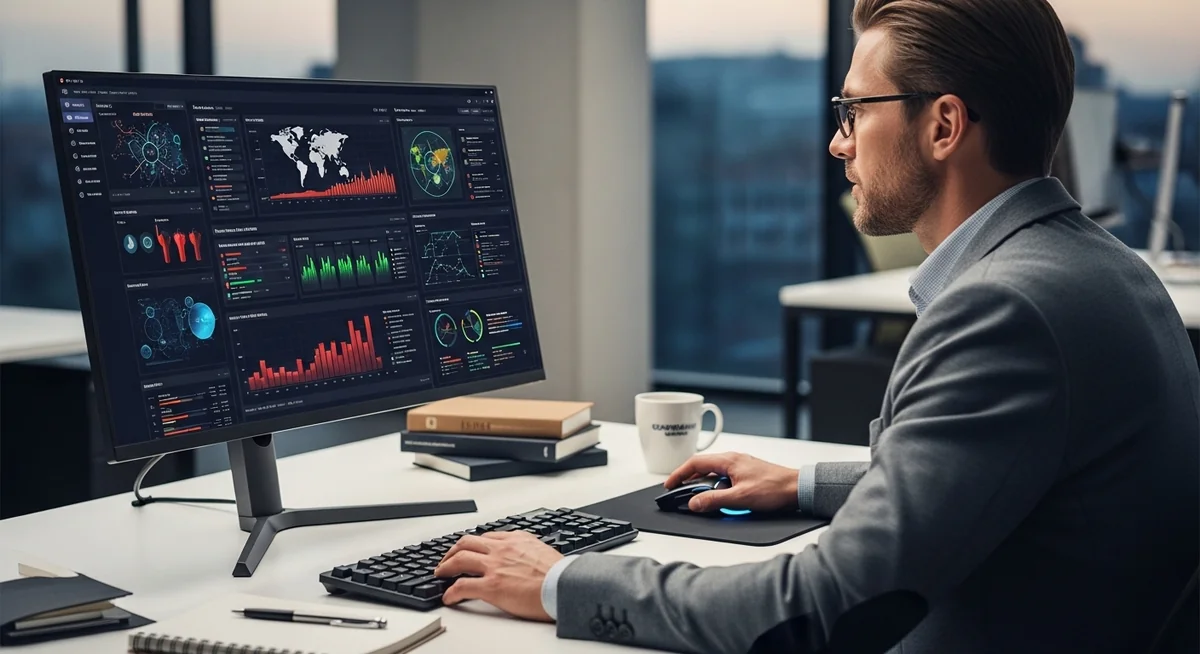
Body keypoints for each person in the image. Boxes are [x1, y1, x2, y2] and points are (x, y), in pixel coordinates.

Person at [433, 0, 1200, 651]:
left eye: (853, 112)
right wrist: (804, 483)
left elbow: (826, 609)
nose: (837, 142)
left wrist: (564, 581)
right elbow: (1010, 477)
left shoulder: (1005, 309)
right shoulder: (1104, 267)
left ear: (943, 126)